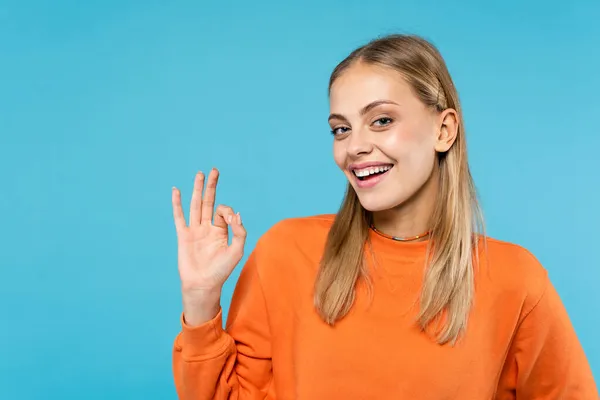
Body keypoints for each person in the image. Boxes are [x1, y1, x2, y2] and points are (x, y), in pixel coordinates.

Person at [170, 34, 598, 399]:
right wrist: (200, 300)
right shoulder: (285, 253)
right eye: (341, 128)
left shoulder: (516, 280)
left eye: (381, 120)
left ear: (444, 130)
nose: (354, 146)